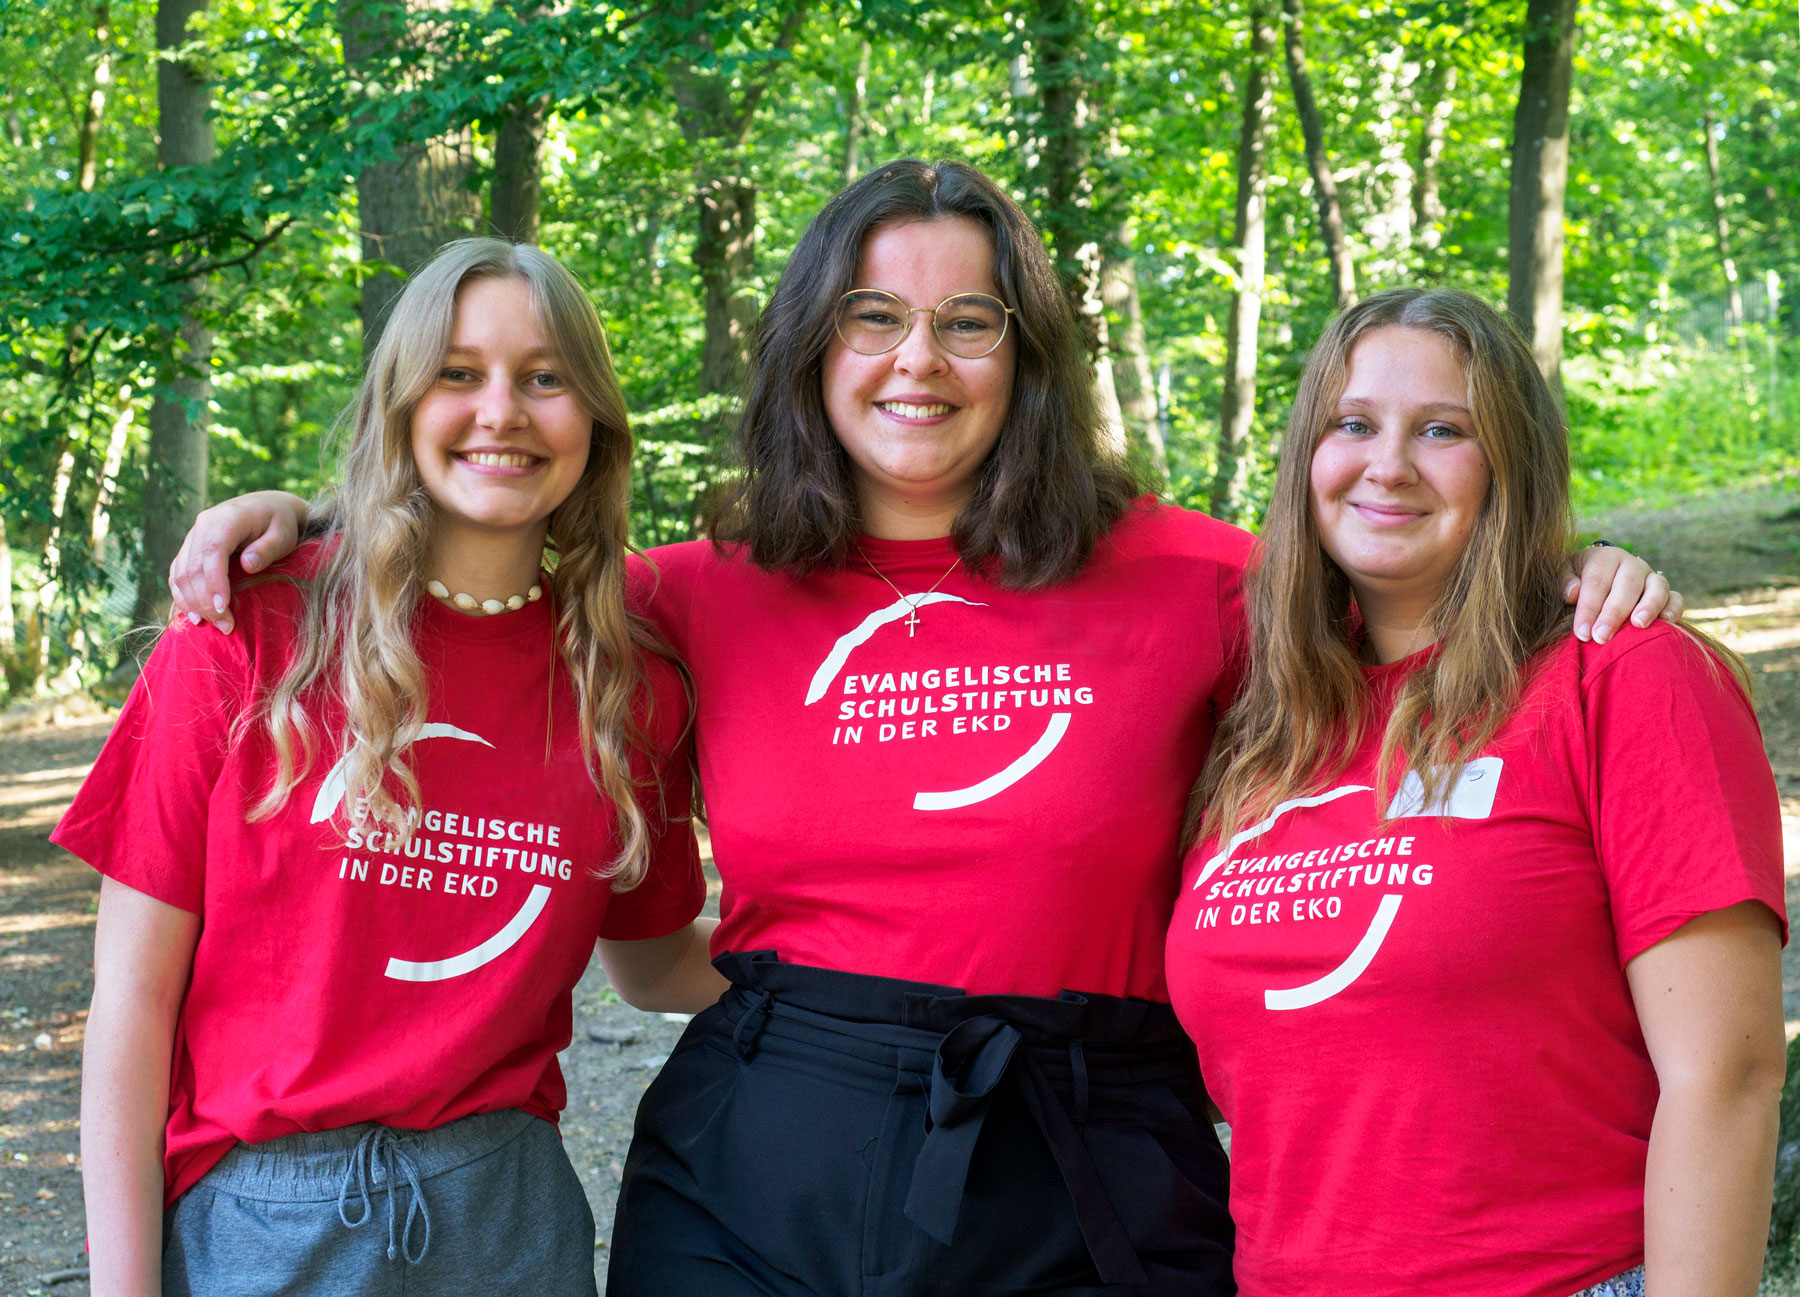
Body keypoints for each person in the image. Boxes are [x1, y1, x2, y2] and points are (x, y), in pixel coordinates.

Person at [164, 163, 1679, 1296]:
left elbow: (1409, 566)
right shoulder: (686, 595)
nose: (918, 360)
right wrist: (303, 520)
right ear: (813, 348)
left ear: (1027, 359)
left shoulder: (1203, 580)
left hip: (1090, 1151)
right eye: (874, 318)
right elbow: (477, 567)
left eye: (969, 324)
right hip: (761, 1162)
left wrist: (1573, 568)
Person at [63, 239, 722, 1297]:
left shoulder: (624, 682)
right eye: (459, 372)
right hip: (259, 1226)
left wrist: (893, 955)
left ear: (595, 419)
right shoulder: (247, 633)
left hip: (506, 1220)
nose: (501, 411)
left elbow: (653, 967)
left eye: (545, 377)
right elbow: (132, 999)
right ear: (401, 402)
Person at [1165, 287, 1786, 1297]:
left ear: (1510, 464)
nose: (1388, 463)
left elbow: (1729, 1075)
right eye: (1352, 423)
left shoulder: (1624, 676)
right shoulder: (1264, 723)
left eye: (1442, 429)